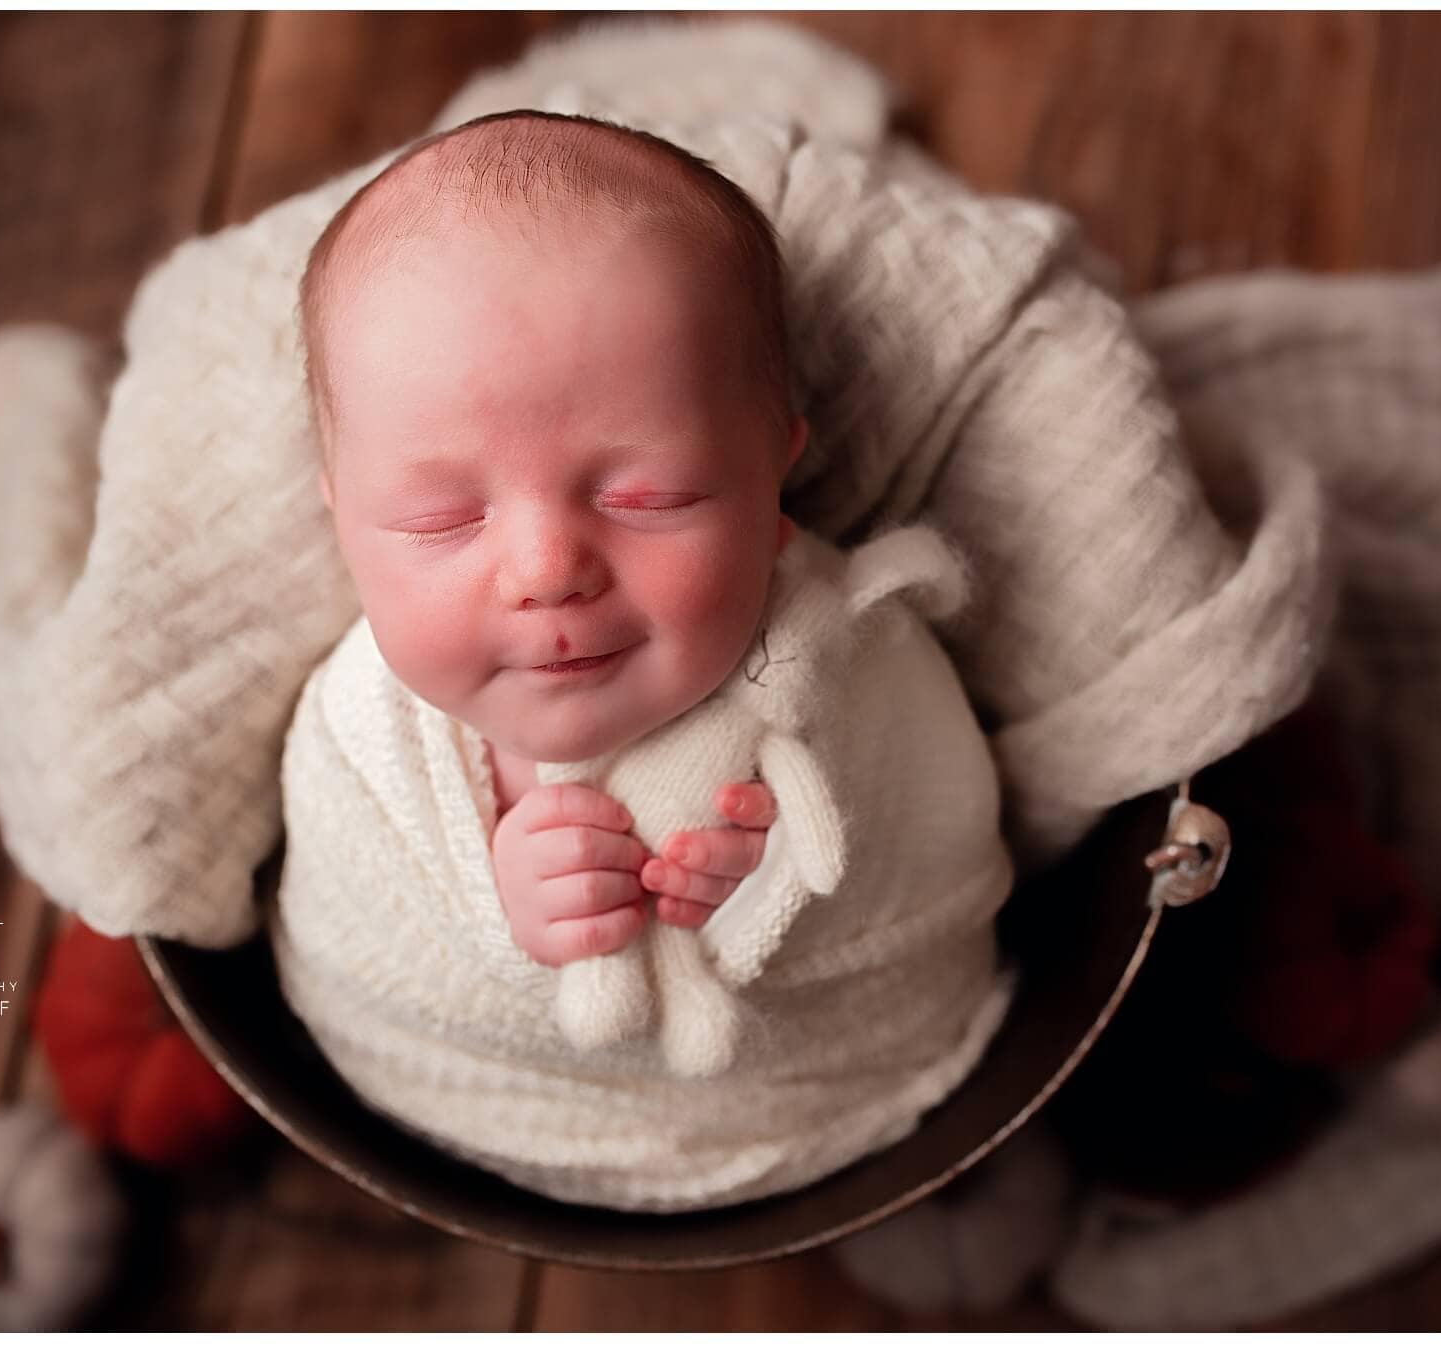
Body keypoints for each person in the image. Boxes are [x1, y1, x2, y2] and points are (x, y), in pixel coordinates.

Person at [279, 108, 1013, 1211]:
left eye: (647, 497)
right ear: (341, 516)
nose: (544, 570)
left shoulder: (845, 661)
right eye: (438, 520)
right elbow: (361, 907)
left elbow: (922, 828)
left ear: (773, 477)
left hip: (833, 1102)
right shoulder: (363, 729)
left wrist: (769, 882)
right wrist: (503, 900)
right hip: (445, 1104)